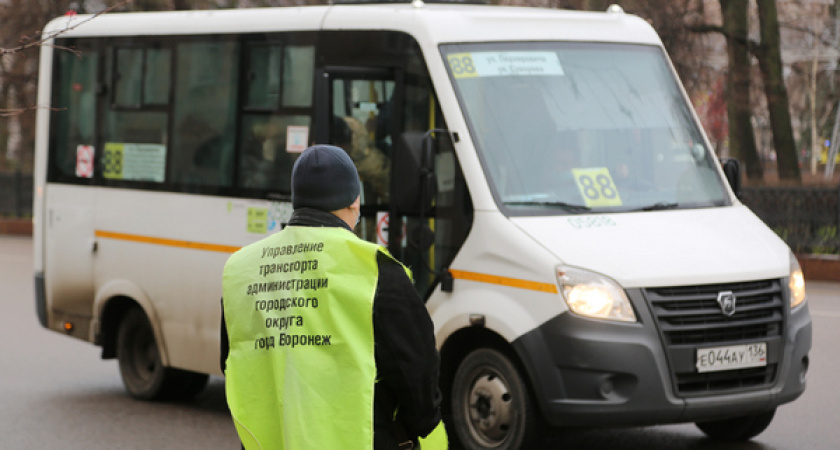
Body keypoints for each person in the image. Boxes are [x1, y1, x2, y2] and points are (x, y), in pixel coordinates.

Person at [220, 144, 446, 449]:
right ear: (355, 202)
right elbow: (415, 367)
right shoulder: (374, 268)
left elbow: (231, 358)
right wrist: (420, 423)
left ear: (296, 202)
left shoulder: (241, 269)